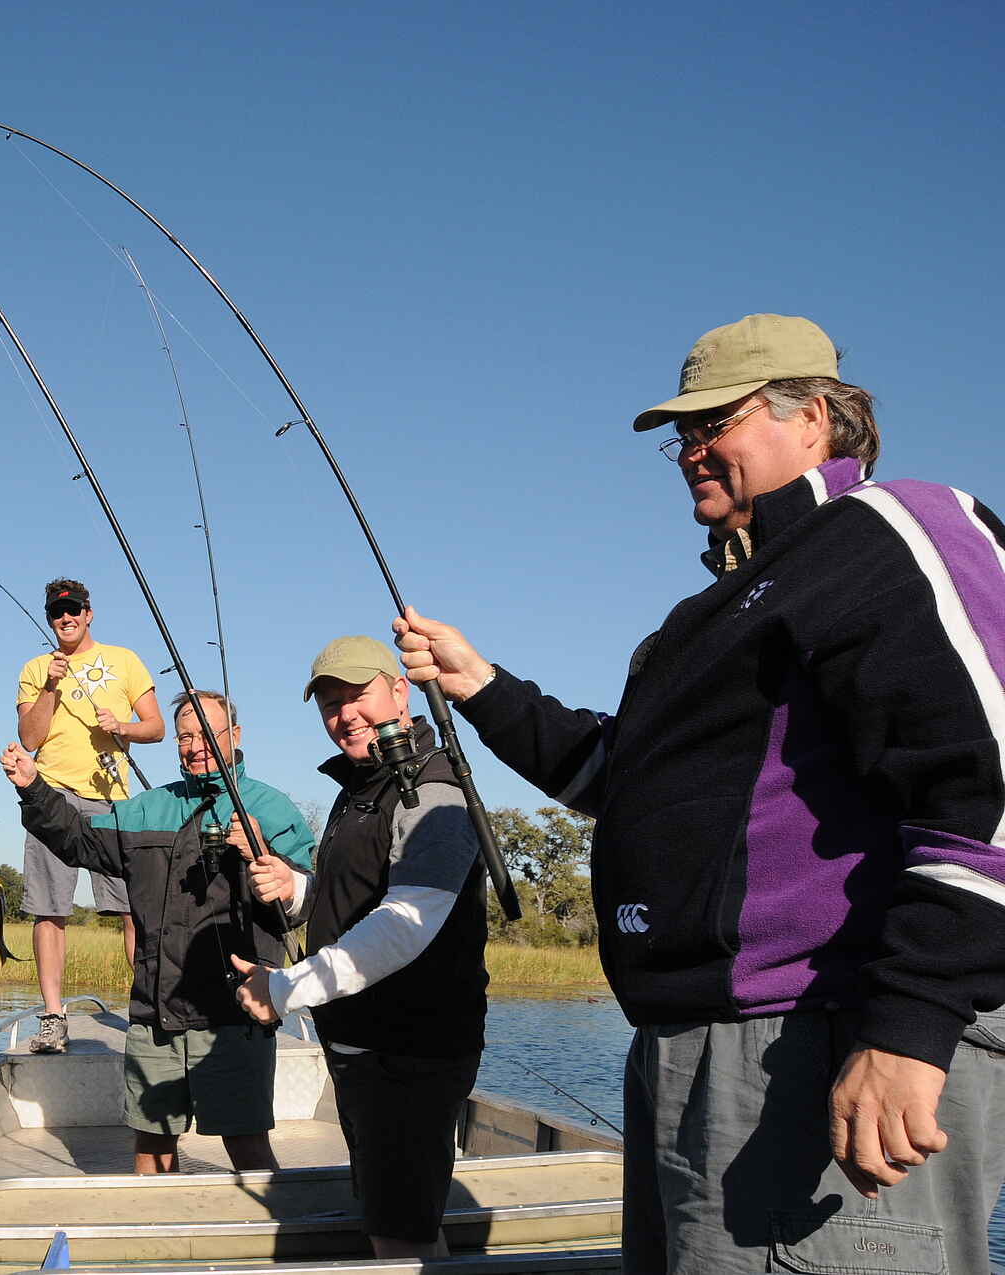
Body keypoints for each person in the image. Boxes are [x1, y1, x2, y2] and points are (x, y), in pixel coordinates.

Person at [391, 313, 1005, 1273]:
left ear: (817, 417)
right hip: (692, 1047)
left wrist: (911, 1023)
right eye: (682, 434)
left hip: (821, 1042)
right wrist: (483, 688)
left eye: (715, 421)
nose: (690, 451)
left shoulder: (888, 530)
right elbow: (623, 779)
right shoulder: (707, 613)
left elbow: (986, 781)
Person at [227, 636, 487, 1261]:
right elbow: (353, 902)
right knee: (401, 1216)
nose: (345, 714)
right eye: (330, 703)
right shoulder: (362, 787)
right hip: (363, 1046)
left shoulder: (433, 785)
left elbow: (406, 921)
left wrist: (285, 988)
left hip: (408, 1049)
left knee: (400, 1233)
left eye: (358, 695)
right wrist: (297, 891)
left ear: (401, 690)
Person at [0, 690, 315, 1172]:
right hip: (155, 1013)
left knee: (247, 1144)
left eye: (206, 734)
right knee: (151, 1148)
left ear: (236, 735)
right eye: (185, 736)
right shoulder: (147, 808)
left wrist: (261, 851)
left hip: (237, 1015)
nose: (194, 746)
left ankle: (279, 1238)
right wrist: (34, 788)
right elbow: (81, 842)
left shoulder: (273, 811)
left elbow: (301, 904)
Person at [15, 578, 163, 1053]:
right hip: (50, 796)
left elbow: (157, 727)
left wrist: (123, 727)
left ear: (89, 612)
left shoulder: (125, 660)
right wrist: (52, 687)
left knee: (132, 909)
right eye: (58, 612)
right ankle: (54, 1018)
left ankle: (148, 1008)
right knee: (49, 908)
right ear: (50, 618)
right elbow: (30, 738)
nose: (67, 618)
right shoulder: (37, 669)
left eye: (74, 609)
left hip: (112, 799)